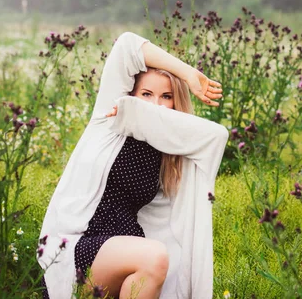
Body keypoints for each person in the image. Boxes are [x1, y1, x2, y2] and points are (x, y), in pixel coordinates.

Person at [38, 31, 229, 298]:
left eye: (166, 96)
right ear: (131, 94)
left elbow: (217, 135)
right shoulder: (109, 122)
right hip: (79, 247)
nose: (156, 104)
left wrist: (149, 117)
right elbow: (127, 44)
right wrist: (188, 74)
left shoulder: (171, 153)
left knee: (154, 259)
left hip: (129, 253)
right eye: (146, 94)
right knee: (154, 257)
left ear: (176, 103)